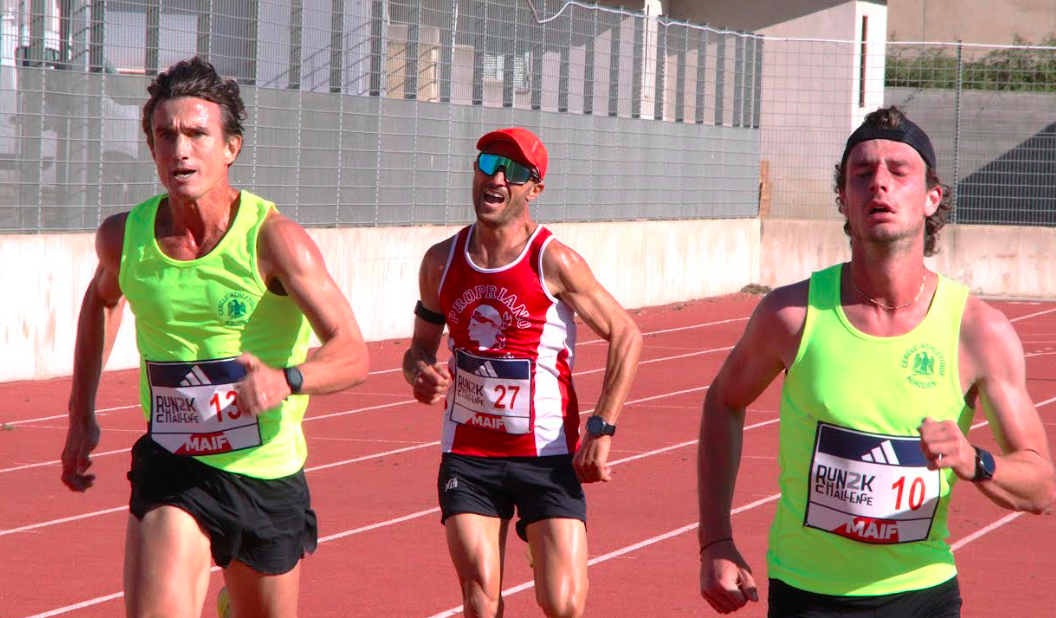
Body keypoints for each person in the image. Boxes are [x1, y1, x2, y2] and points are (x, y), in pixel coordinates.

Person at [697, 106, 1056, 617]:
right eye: (861, 174)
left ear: (932, 197)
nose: (879, 185)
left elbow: (1041, 486)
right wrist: (715, 541)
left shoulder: (978, 332)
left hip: (922, 596)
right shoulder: (792, 315)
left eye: (897, 171)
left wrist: (975, 460)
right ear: (843, 199)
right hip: (807, 596)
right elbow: (722, 402)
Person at [60, 57, 369, 618]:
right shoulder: (124, 238)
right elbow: (102, 301)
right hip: (174, 463)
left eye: (198, 134)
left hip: (263, 472)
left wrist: (287, 379)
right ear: (151, 148)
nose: (180, 149)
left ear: (231, 147)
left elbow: (352, 352)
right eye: (165, 135)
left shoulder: (275, 240)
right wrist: (81, 411)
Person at [403, 127, 642, 618]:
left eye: (513, 171)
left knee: (563, 605)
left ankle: (541, 540)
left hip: (545, 455)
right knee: (480, 601)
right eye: (488, 163)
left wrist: (602, 427)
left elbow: (626, 333)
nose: (497, 178)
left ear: (534, 189)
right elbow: (419, 349)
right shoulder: (441, 261)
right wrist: (421, 372)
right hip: (468, 454)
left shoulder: (552, 260)